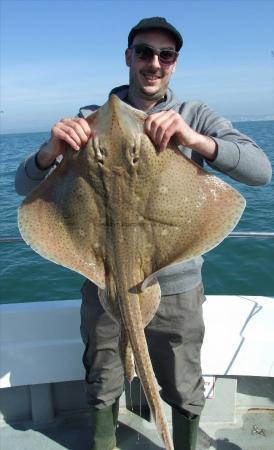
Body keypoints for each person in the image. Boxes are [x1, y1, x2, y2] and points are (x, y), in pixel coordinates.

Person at [15, 17, 272, 450]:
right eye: (144, 52)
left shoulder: (195, 114)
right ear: (128, 57)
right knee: (104, 376)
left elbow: (260, 171)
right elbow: (25, 187)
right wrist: (51, 151)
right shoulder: (87, 121)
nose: (154, 62)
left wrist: (195, 140)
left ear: (173, 64)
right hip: (104, 279)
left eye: (164, 55)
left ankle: (179, 440)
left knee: (182, 382)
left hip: (177, 282)